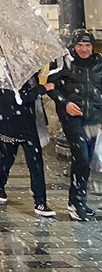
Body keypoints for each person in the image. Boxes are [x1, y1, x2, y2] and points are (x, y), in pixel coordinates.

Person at [48, 30, 102, 221]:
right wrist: (65, 103)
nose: (84, 49)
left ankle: (78, 201)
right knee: (81, 156)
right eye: (80, 45)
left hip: (93, 119)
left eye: (88, 45)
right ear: (74, 45)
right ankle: (76, 202)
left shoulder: (99, 63)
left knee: (86, 160)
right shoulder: (64, 62)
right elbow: (49, 86)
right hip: (73, 119)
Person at [0, 73, 56, 217]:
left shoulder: (32, 75)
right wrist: (42, 89)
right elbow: (19, 99)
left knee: (36, 164)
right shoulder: (5, 77)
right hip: (9, 126)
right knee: (7, 158)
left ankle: (40, 202)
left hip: (30, 128)